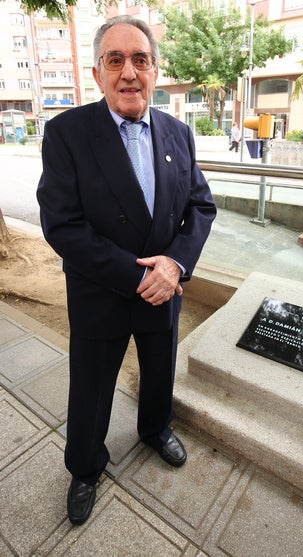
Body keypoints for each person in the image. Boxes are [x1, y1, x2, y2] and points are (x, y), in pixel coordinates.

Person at [37, 15, 216, 526]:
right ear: (98, 74)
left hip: (165, 290)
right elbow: (62, 224)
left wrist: (176, 264)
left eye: (140, 59)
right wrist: (138, 275)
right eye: (115, 60)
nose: (129, 72)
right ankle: (86, 466)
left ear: (156, 71)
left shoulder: (179, 133)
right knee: (91, 384)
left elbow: (200, 207)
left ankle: (155, 428)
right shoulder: (67, 133)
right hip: (101, 292)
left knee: (160, 369)